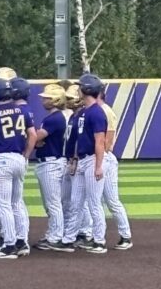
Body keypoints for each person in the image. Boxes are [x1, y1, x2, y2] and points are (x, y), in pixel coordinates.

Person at [0, 79, 37, 259]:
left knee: (3, 204)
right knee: (17, 202)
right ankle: (22, 241)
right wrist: (26, 155)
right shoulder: (22, 110)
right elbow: (33, 135)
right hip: (19, 158)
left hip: (2, 158)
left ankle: (9, 244)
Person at [61, 74, 109, 254]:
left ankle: (99, 241)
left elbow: (100, 141)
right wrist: (73, 159)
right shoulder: (82, 112)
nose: (78, 89)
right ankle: (69, 239)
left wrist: (98, 165)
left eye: (80, 86)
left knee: (94, 202)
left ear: (87, 90)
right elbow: (78, 140)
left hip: (91, 160)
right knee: (76, 202)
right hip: (81, 160)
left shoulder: (96, 112)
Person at [31, 83, 73, 252]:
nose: (44, 100)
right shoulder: (58, 117)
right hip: (54, 161)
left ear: (56, 100)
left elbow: (36, 138)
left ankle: (55, 236)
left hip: (51, 163)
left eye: (47, 98)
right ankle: (55, 233)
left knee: (53, 203)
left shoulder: (53, 118)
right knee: (55, 202)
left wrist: (34, 138)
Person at [98, 88, 133, 250]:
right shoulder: (96, 110)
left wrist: (100, 155)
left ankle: (126, 236)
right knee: (95, 200)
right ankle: (93, 235)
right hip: (99, 158)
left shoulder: (106, 111)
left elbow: (108, 141)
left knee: (111, 200)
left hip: (106, 158)